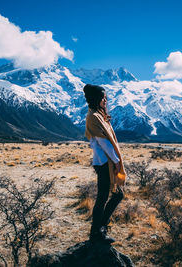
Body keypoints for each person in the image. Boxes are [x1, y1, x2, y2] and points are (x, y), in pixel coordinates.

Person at [83, 84, 126, 243]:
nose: (106, 100)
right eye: (103, 98)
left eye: (106, 98)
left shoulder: (98, 114)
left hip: (105, 162)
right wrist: (116, 162)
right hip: (103, 164)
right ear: (96, 99)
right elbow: (104, 143)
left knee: (110, 196)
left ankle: (100, 229)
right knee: (107, 197)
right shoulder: (94, 116)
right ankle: (98, 231)